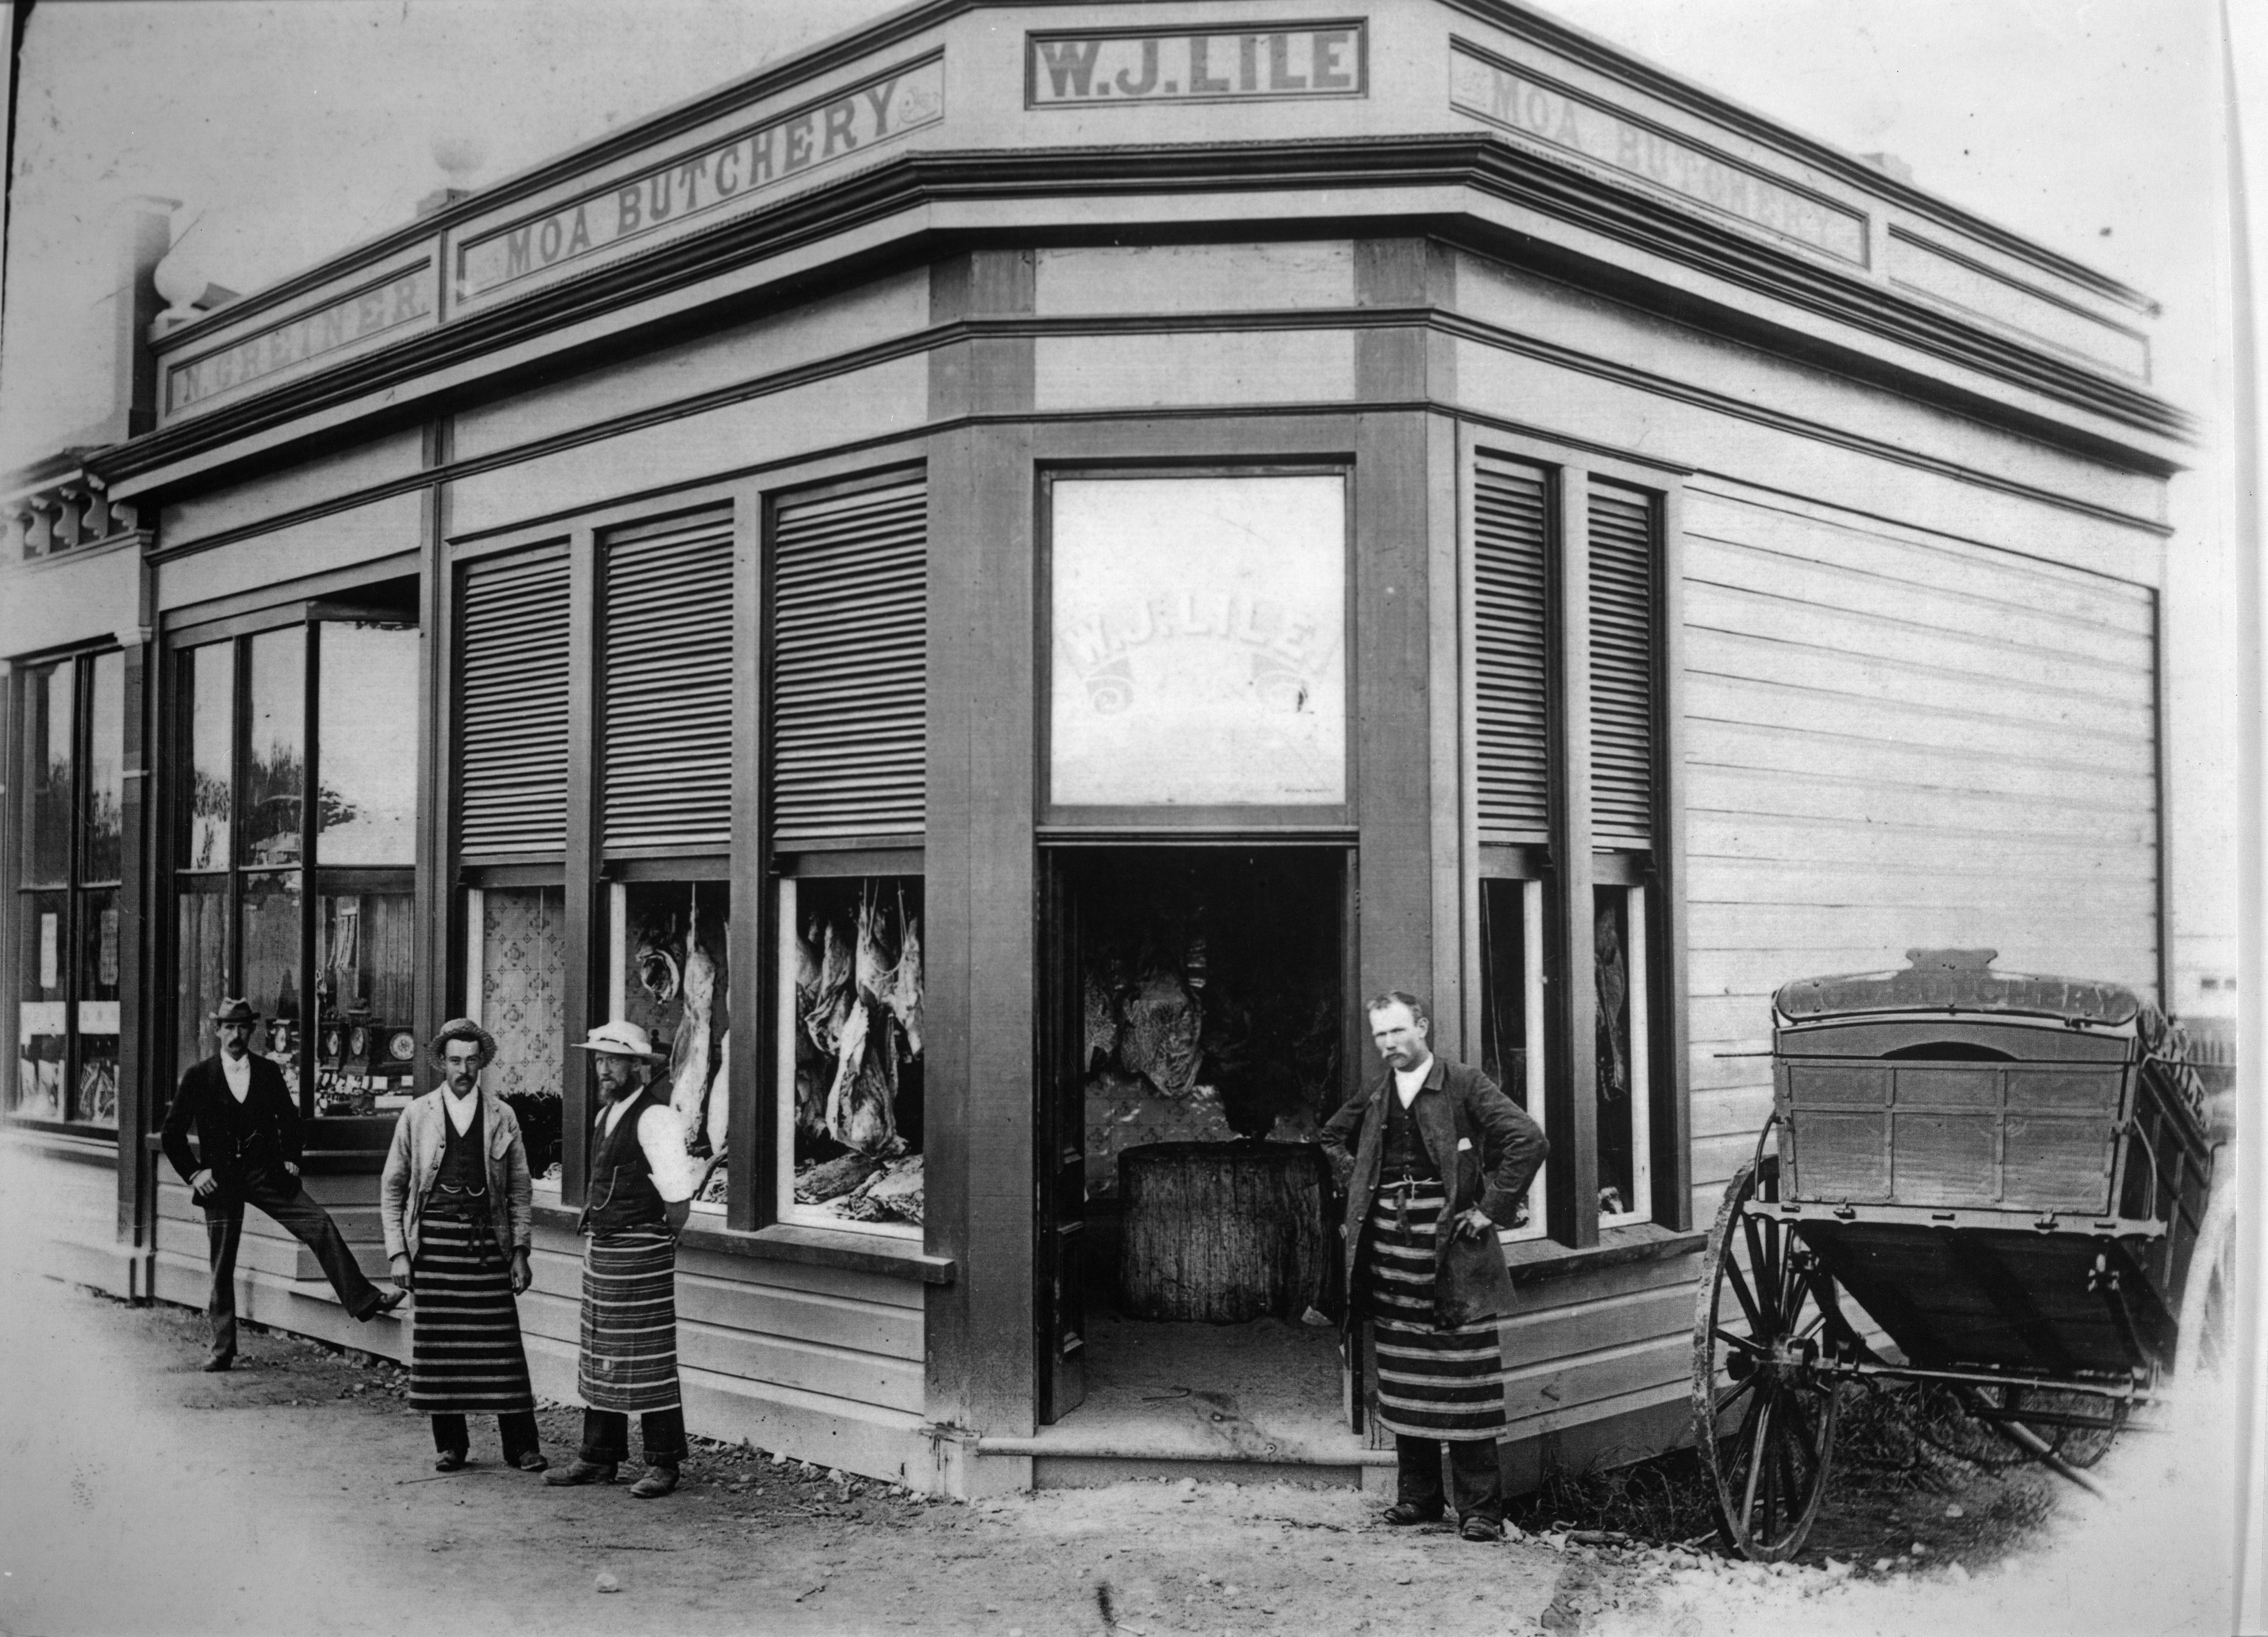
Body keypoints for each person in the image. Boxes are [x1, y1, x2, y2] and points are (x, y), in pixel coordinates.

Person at [1320, 990, 1548, 1542]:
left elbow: (1528, 1138)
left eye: (1398, 1030)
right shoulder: (1377, 1090)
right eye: (1380, 1034)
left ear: (1422, 1026)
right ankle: (1418, 1497)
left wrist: (1489, 1208)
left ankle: (1479, 1510)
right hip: (1391, 1251)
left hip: (1454, 1252)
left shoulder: (1464, 1083)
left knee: (1465, 1378)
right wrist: (1361, 1182)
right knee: (1404, 1376)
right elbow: (1330, 1136)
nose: (1389, 1043)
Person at [161, 997, 405, 1371]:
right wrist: (195, 1173)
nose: (236, 1034)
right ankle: (222, 1349)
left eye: (243, 1027)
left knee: (319, 1224)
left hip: (266, 1174)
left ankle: (365, 1300)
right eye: (229, 1027)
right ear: (218, 1030)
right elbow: (172, 1134)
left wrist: (292, 1156)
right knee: (222, 1264)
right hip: (220, 1180)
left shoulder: (267, 1071)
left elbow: (290, 1120)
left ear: (251, 1030)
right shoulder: (199, 1076)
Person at [545, 1021, 716, 1499]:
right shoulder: (607, 1114)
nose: (604, 1069)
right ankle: (599, 1456)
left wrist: (658, 1238)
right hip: (604, 1249)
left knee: (650, 1356)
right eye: (599, 1059)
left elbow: (678, 1197)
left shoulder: (655, 1116)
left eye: (614, 1060)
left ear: (638, 1065)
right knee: (601, 1351)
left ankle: (664, 1462)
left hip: (641, 1249)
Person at [379, 1018, 546, 1473]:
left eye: (472, 1060)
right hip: (434, 1245)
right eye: (455, 1060)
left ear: (482, 1063)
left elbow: (519, 1188)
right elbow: (393, 1187)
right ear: (441, 1062)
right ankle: (451, 1445)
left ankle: (522, 1446)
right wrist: (399, 1252)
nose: (463, 1069)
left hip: (487, 1244)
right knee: (441, 1348)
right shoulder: (417, 1114)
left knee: (502, 1348)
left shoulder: (502, 1115)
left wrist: (520, 1251)